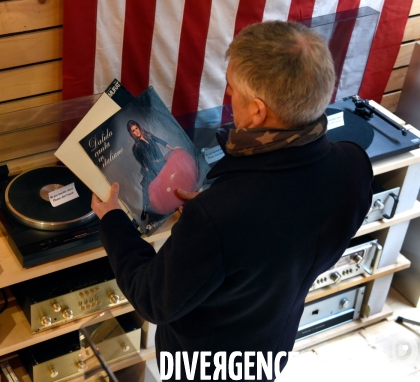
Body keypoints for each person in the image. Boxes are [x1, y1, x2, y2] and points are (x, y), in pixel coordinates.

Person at [91, 20, 373, 381]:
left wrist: (113, 220)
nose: (229, 98)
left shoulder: (217, 217)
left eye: (232, 91)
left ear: (257, 111)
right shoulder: (354, 165)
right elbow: (285, 233)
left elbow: (152, 298)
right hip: (273, 346)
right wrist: (216, 214)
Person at [126, 120, 179, 222]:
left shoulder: (149, 136)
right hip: (152, 166)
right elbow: (141, 160)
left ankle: (174, 202)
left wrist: (172, 148)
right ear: (131, 133)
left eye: (136, 128)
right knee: (146, 186)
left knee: (168, 182)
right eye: (133, 131)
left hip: (162, 162)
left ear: (139, 127)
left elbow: (161, 141)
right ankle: (145, 209)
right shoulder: (137, 146)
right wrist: (147, 168)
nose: (136, 131)